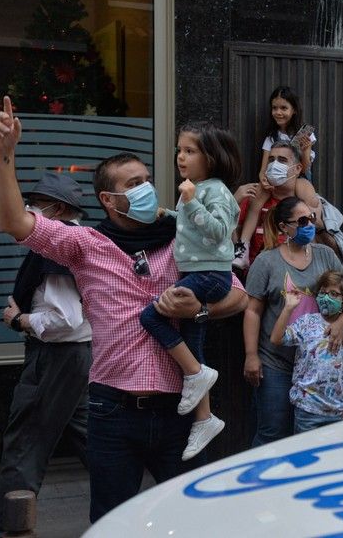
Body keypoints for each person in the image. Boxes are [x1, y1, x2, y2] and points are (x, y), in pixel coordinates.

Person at [0, 96, 249, 523]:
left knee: (191, 524)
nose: (146, 188)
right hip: (112, 411)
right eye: (132, 184)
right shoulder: (85, 244)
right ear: (109, 199)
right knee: (111, 522)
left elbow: (237, 295)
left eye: (147, 178)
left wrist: (199, 305)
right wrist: (4, 156)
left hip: (180, 410)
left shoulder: (184, 238)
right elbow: (16, 222)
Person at [0, 172, 93, 538]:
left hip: (56, 358)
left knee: (25, 446)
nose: (30, 209)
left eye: (37, 204)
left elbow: (66, 320)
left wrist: (20, 320)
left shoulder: (59, 250)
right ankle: (131, 503)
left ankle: (8, 530)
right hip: (76, 358)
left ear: (59, 210)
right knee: (94, 440)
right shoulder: (76, 241)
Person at [139, 122, 240, 460]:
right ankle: (205, 419)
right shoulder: (195, 189)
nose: (181, 157)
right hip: (197, 273)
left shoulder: (215, 191)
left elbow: (219, 233)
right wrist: (167, 214)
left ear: (211, 156)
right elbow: (188, 228)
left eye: (190, 151)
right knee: (192, 341)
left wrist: (191, 203)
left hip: (210, 275)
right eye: (179, 150)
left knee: (151, 316)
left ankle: (196, 374)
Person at [243, 197, 343, 445]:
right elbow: (253, 311)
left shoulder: (326, 256)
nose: (309, 224)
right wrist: (251, 355)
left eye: (311, 218)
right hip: (275, 362)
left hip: (317, 366)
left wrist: (342, 322)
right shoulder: (266, 261)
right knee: (272, 433)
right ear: (284, 227)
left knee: (314, 438)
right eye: (301, 221)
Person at [234, 87, 319, 269]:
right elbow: (263, 168)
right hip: (273, 181)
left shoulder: (305, 134)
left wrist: (305, 150)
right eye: (275, 108)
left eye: (283, 108)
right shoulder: (271, 137)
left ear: (294, 109)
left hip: (299, 178)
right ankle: (242, 248)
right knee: (256, 203)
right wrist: (264, 180)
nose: (278, 112)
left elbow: (305, 168)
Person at [270, 270, 343, 432]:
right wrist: (288, 308)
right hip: (307, 409)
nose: (326, 297)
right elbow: (276, 338)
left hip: (337, 410)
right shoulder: (306, 322)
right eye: (323, 292)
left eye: (333, 294)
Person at [234, 140, 323, 269]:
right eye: (271, 160)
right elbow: (227, 231)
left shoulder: (303, 189)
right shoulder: (254, 195)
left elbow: (318, 224)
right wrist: (233, 200)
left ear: (298, 168)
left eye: (282, 160)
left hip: (300, 271)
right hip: (259, 271)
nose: (274, 165)